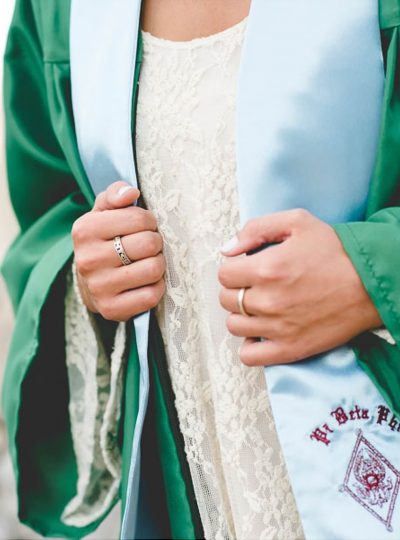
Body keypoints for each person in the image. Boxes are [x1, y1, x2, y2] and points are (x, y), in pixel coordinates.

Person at [2, 0, 400, 539]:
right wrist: (90, 275)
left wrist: (373, 275)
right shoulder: (57, 10)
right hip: (205, 492)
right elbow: (51, 210)